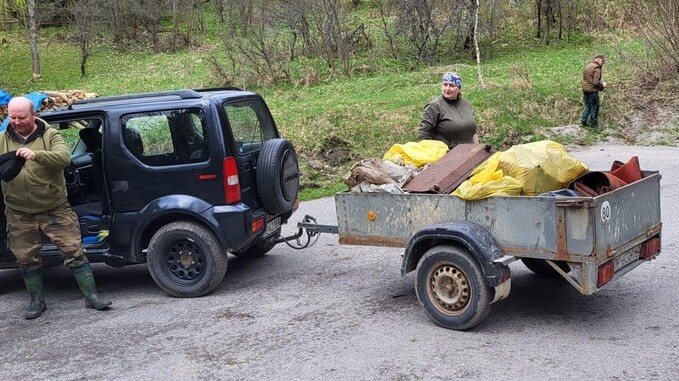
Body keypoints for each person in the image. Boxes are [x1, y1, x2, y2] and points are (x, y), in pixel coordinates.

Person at [1, 96, 111, 319]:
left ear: (34, 115)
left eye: (21, 117)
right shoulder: (2, 139)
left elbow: (63, 158)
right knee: (25, 258)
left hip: (54, 208)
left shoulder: (50, 135)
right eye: (12, 117)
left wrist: (36, 155)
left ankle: (92, 297)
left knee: (74, 251)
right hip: (18, 212)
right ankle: (37, 302)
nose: (16, 121)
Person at [417, 71, 479, 149]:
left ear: (459, 89)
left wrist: (477, 149)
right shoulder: (434, 106)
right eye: (445, 84)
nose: (447, 89)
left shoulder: (466, 104)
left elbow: (473, 132)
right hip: (447, 155)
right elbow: (423, 134)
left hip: (469, 152)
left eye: (452, 85)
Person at [581, 54, 607, 128]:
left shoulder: (588, 66)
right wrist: (603, 84)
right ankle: (593, 125)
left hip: (585, 89)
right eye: (603, 61)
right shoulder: (596, 68)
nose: (603, 63)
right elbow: (596, 82)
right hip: (592, 91)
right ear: (598, 60)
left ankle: (583, 122)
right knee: (595, 107)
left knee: (588, 106)